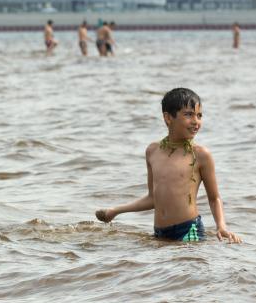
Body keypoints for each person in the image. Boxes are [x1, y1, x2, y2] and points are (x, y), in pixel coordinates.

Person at [95, 87, 240, 244]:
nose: (196, 121)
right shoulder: (152, 151)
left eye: (199, 115)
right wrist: (115, 211)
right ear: (168, 118)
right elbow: (152, 199)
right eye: (189, 114)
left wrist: (221, 226)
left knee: (189, 260)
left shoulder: (200, 155)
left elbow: (214, 198)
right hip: (160, 232)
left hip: (189, 230)